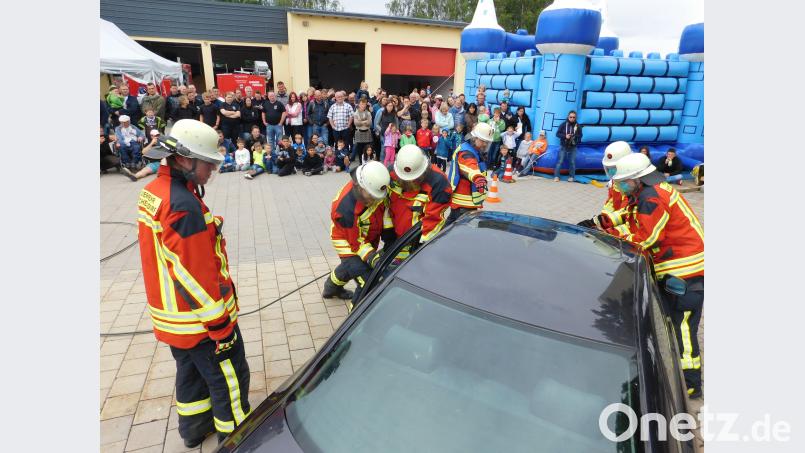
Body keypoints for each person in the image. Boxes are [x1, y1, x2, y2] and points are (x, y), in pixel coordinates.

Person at [137, 119, 249, 448]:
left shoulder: (154, 191)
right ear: (185, 159)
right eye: (208, 164)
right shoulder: (183, 206)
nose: (212, 171)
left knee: (191, 376)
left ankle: (194, 430)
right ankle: (237, 439)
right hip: (200, 322)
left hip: (173, 317)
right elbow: (193, 275)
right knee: (230, 378)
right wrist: (220, 327)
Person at [606, 152, 705, 399]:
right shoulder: (650, 191)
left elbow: (646, 239)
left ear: (638, 179)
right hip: (680, 268)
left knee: (683, 330)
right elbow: (634, 222)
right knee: (675, 326)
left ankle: (690, 384)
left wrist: (614, 238)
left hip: (684, 273)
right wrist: (603, 224)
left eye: (624, 181)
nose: (621, 185)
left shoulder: (652, 197)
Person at [323, 161, 390, 310]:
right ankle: (355, 319)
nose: (374, 200)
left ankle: (330, 288)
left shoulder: (374, 183)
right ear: (360, 186)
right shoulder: (345, 209)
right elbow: (356, 243)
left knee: (352, 267)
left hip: (365, 236)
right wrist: (372, 257)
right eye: (371, 196)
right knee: (366, 281)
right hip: (347, 240)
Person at [383, 144, 453, 261]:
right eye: (405, 179)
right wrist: (387, 232)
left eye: (414, 179)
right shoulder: (390, 174)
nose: (409, 182)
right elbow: (385, 205)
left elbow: (433, 220)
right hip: (394, 238)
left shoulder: (439, 183)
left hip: (418, 239)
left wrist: (423, 247)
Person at [576, 141, 634, 230]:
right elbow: (610, 204)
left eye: (614, 168)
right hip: (618, 224)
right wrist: (600, 219)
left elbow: (627, 212)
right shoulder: (616, 181)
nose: (611, 171)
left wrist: (602, 224)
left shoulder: (635, 184)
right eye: (609, 168)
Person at [446, 122, 493, 224]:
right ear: (475, 137)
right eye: (483, 141)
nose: (485, 144)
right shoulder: (466, 152)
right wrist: (477, 177)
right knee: (458, 231)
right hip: (464, 203)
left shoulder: (472, 149)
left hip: (464, 202)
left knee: (449, 228)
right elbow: (468, 166)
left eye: (487, 142)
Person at [554, 110, 582, 182]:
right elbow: (557, 134)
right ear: (568, 117)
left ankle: (571, 177)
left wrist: (575, 137)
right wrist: (565, 136)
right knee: (560, 161)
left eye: (573, 117)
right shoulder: (563, 124)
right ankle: (556, 176)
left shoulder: (578, 126)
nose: (572, 118)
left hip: (573, 146)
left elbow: (580, 135)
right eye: (571, 117)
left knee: (572, 162)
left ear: (575, 118)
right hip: (563, 145)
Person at [327, 91, 355, 162]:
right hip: (336, 129)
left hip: (345, 129)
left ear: (343, 97)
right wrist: (332, 126)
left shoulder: (348, 106)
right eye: (338, 97)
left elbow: (351, 116)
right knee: (337, 144)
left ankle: (346, 159)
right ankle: (337, 159)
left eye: (341, 96)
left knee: (346, 144)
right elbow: (330, 117)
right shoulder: (332, 107)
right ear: (335, 98)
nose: (339, 98)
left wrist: (348, 125)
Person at [352, 97, 374, 162]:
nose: (363, 105)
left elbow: (369, 123)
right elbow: (356, 123)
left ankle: (367, 161)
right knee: (360, 149)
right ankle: (361, 162)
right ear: (359, 104)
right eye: (362, 104)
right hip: (359, 133)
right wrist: (364, 121)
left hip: (367, 132)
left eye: (364, 104)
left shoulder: (368, 113)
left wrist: (361, 121)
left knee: (367, 148)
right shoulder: (356, 113)